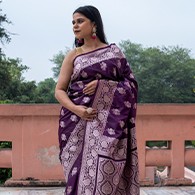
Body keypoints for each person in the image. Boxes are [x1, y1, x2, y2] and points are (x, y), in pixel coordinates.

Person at [55, 5, 139, 195]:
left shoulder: (114, 52)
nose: (75, 26)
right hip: (76, 124)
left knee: (105, 175)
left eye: (80, 21)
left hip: (110, 127)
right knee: (78, 176)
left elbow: (131, 85)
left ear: (94, 24)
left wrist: (105, 86)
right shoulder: (73, 55)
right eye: (73, 22)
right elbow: (59, 90)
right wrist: (77, 110)